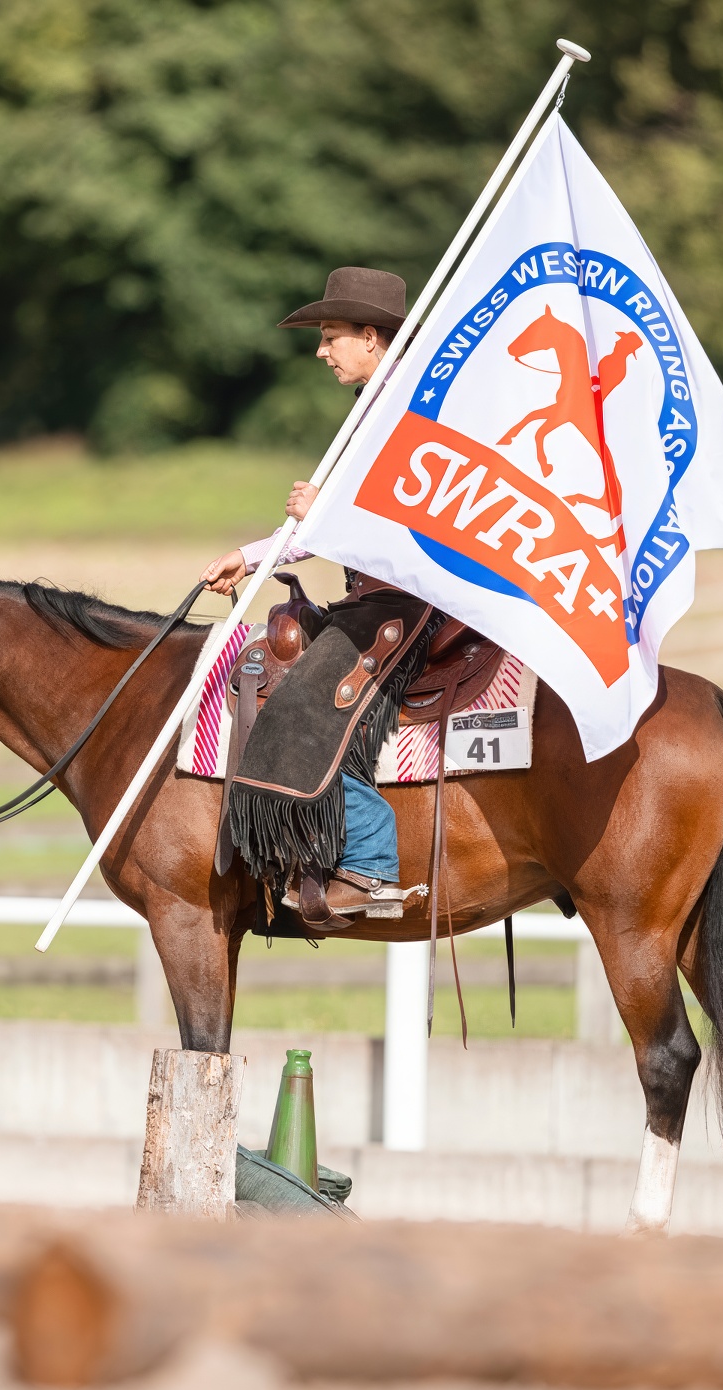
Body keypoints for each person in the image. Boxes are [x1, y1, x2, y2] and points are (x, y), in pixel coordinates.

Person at [203, 267, 435, 930]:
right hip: (374, 599)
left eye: (331, 336)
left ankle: (369, 869)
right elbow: (327, 528)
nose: (321, 349)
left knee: (298, 713)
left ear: (371, 336)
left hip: (398, 605)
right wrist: (248, 559)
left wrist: (328, 517)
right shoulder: (378, 410)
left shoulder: (406, 414)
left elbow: (420, 525)